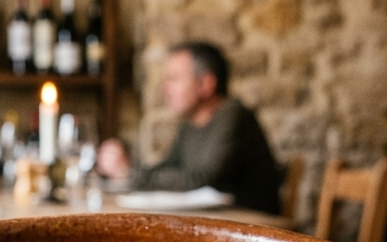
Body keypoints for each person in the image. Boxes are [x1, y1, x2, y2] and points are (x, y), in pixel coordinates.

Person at [96, 42, 282, 214]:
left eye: (173, 79)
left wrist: (129, 172)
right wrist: (128, 170)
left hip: (256, 227)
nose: (164, 89)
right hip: (220, 222)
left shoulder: (233, 115)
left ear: (205, 84)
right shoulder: (190, 124)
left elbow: (200, 179)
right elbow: (167, 167)